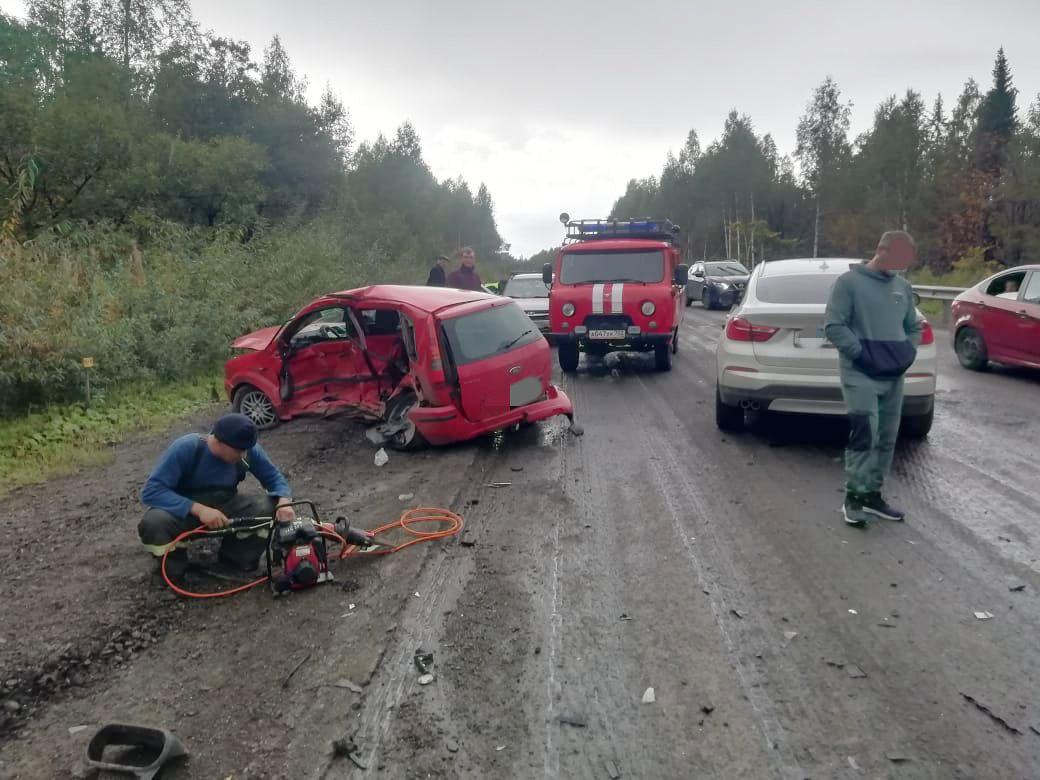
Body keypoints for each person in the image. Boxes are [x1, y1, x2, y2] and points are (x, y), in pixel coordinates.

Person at [824, 231, 922, 528]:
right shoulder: (849, 283)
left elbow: (914, 326)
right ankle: (853, 498)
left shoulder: (901, 287)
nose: (902, 265)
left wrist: (907, 353)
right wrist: (862, 354)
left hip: (893, 375)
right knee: (866, 434)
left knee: (887, 437)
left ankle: (872, 495)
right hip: (861, 373)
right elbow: (833, 325)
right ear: (881, 251)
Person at [138, 413, 296, 577]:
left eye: (245, 451)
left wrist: (284, 500)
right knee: (154, 522)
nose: (242, 455)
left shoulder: (246, 450)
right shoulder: (187, 448)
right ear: (218, 441)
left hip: (226, 509)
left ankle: (236, 560)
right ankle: (175, 569)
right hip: (185, 514)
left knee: (268, 506)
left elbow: (274, 478)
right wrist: (199, 510)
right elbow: (152, 491)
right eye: (237, 451)